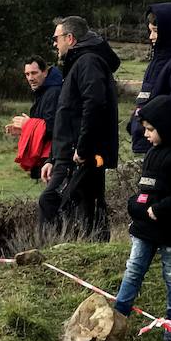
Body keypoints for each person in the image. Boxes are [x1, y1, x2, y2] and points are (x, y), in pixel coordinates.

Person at [112, 96, 171, 341]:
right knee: (133, 270)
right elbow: (144, 190)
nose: (146, 134)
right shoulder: (152, 153)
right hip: (145, 228)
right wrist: (136, 207)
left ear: (168, 126)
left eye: (151, 129)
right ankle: (117, 318)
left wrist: (160, 209)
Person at [38, 16, 120, 240]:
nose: (54, 44)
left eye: (56, 38)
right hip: (71, 153)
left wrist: (83, 150)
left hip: (82, 154)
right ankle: (91, 251)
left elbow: (93, 105)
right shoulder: (79, 62)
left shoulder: (88, 62)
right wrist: (52, 158)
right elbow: (69, 114)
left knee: (53, 202)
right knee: (87, 204)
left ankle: (53, 256)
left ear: (70, 38)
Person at [129, 3, 171, 154]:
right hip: (144, 139)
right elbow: (147, 96)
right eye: (150, 31)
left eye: (156, 31)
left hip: (163, 145)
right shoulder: (156, 61)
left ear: (170, 32)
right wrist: (134, 122)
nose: (151, 37)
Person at [6, 55, 63, 179]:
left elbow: (53, 128)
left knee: (49, 197)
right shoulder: (43, 91)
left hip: (54, 156)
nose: (30, 78)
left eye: (34, 73)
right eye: (27, 74)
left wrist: (28, 124)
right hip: (49, 157)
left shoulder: (53, 93)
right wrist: (24, 130)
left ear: (45, 72)